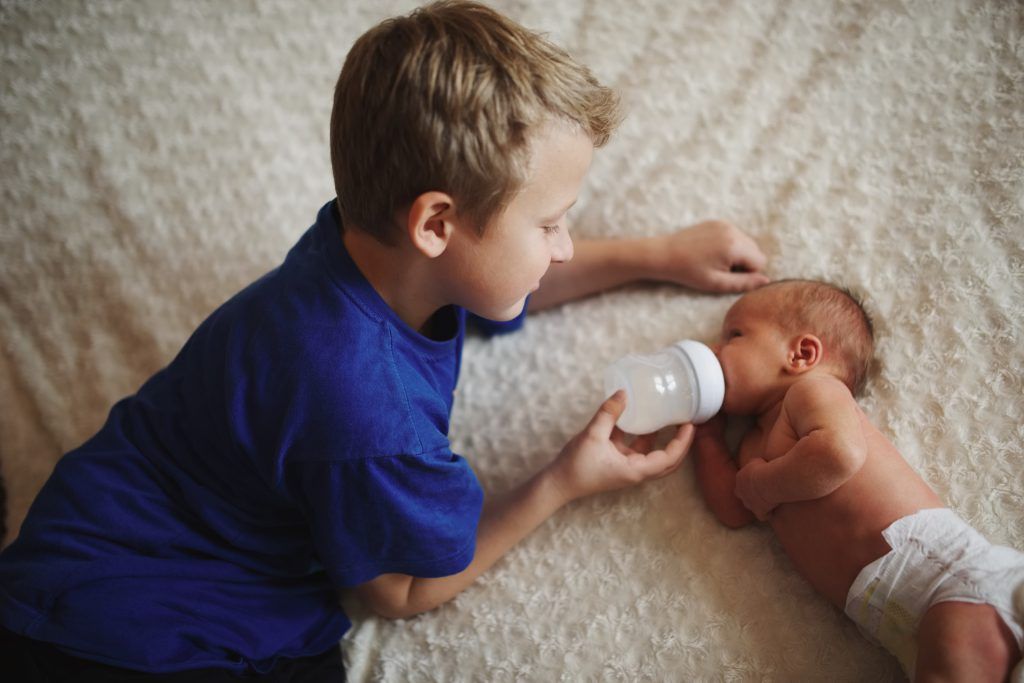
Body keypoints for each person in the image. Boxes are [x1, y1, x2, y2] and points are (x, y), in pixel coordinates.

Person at [0, 2, 769, 679]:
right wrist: (562, 479)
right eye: (549, 223)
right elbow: (398, 589)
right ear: (435, 222)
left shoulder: (361, 246)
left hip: (91, 535)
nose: (564, 246)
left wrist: (658, 254)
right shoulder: (374, 415)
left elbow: (506, 285)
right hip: (129, 634)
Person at [693, 279, 1024, 681]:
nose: (714, 350)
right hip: (902, 624)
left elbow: (838, 456)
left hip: (943, 576)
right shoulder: (750, 446)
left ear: (801, 354)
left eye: (734, 335)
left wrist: (765, 485)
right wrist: (708, 439)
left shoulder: (813, 393)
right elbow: (734, 507)